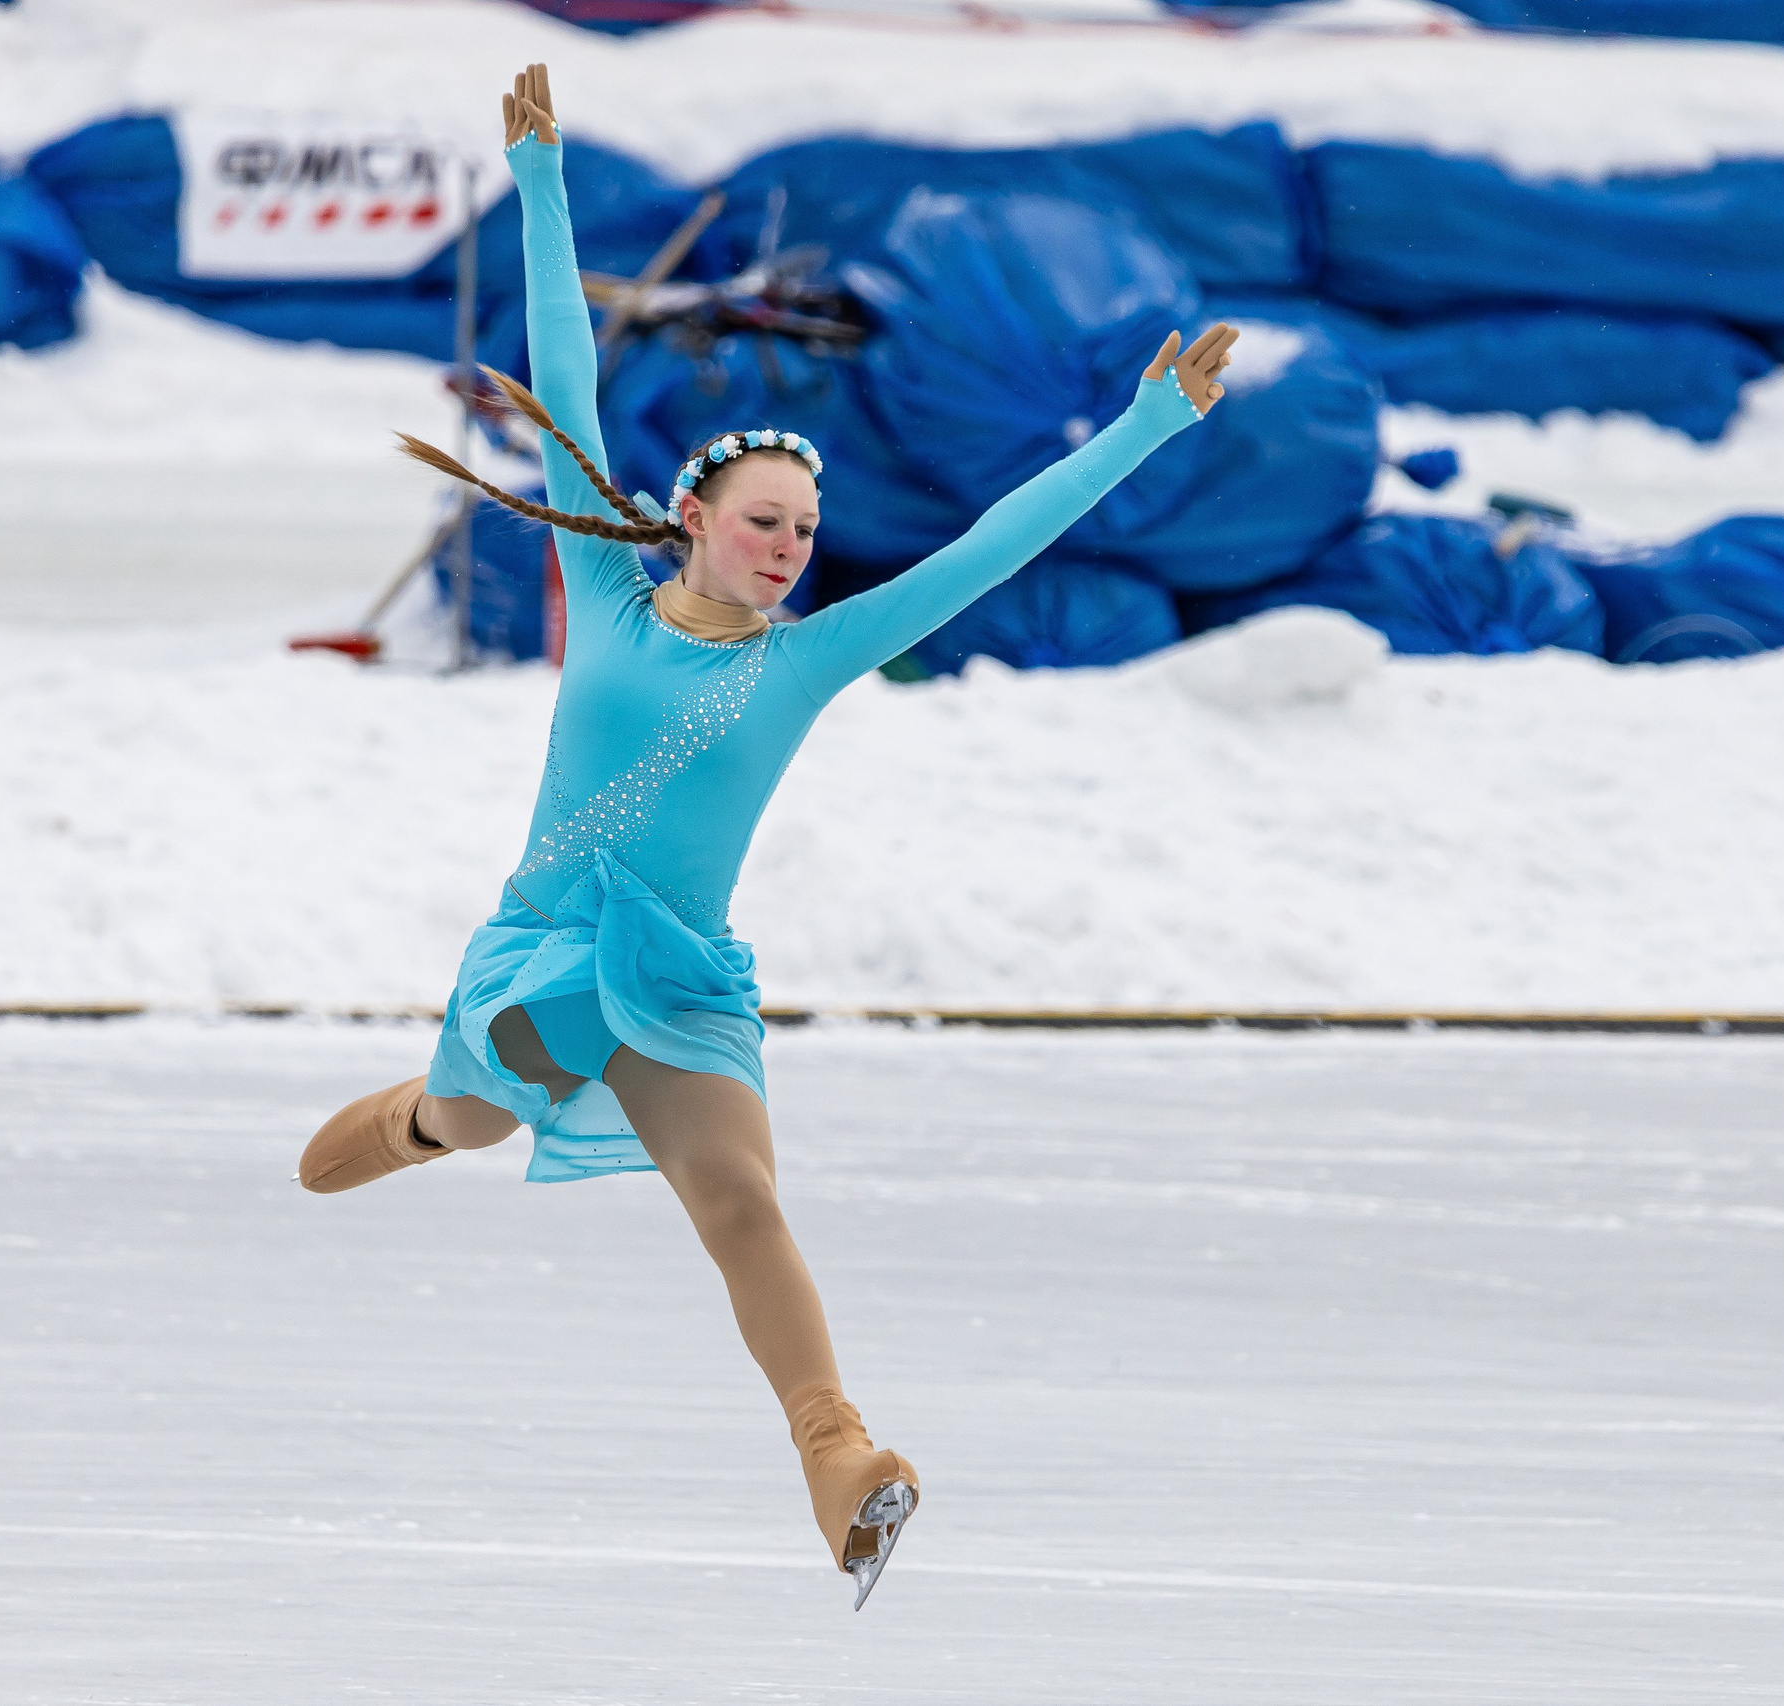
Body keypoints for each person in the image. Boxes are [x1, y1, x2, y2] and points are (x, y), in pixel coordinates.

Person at [299, 63, 1238, 1609]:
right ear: (693, 522)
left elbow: (998, 545)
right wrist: (540, 188)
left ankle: (838, 1452)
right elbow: (561, 367)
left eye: (803, 534)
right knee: (482, 1107)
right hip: (539, 953)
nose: (790, 550)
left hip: (678, 975)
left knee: (740, 1203)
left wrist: (1145, 424)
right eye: (764, 523)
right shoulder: (604, 598)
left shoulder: (804, 659)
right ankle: (425, 1116)